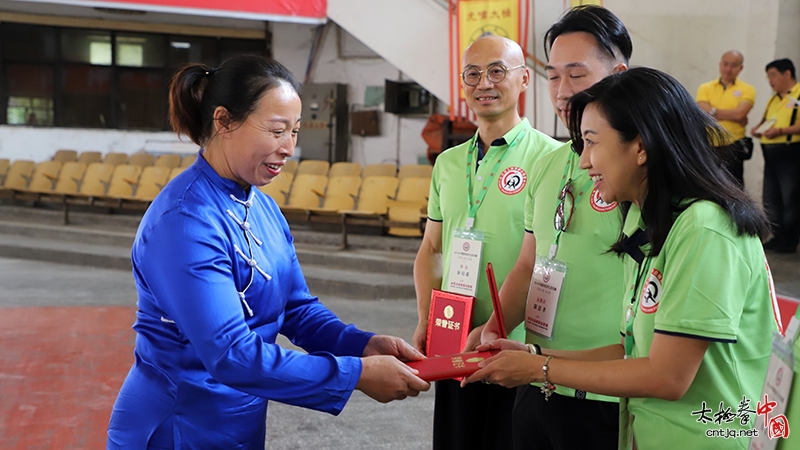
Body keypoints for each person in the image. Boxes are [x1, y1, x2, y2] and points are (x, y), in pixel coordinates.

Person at [107, 55, 430, 449]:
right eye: (277, 131)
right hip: (179, 422)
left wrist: (360, 344)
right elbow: (230, 354)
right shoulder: (184, 222)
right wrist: (354, 374)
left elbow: (295, 308)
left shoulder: (260, 205)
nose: (289, 148)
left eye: (294, 132)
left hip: (237, 418)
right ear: (223, 121)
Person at [465, 67, 780, 450]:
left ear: (642, 146)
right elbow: (633, 350)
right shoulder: (646, 220)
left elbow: (667, 376)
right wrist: (534, 352)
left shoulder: (704, 229)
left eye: (593, 143)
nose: (584, 162)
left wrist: (539, 369)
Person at [475, 5, 631, 449]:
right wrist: (496, 327)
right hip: (538, 382)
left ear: (618, 74)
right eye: (553, 76)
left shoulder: (639, 171)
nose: (562, 92)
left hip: (606, 392)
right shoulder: (549, 163)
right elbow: (529, 262)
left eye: (577, 76)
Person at [412, 35, 563, 450]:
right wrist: (427, 316)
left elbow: (547, 259)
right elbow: (431, 249)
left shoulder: (551, 159)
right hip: (455, 337)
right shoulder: (447, 163)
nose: (485, 83)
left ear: (524, 79)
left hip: (516, 341)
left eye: (497, 71)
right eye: (473, 74)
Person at [751, 58, 800, 254]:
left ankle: (789, 239)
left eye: (773, 75)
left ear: (787, 74)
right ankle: (777, 236)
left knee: (790, 197)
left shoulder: (797, 94)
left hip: (790, 152)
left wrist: (780, 131)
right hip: (770, 153)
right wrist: (758, 128)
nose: (771, 81)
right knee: (772, 197)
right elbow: (767, 120)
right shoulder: (774, 98)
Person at [696, 50, 756, 186]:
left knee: (733, 186)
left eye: (734, 65)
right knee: (709, 186)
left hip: (733, 145)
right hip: (709, 144)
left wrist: (713, 111)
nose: (728, 69)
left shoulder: (748, 89)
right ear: (720, 64)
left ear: (741, 68)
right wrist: (731, 115)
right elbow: (701, 112)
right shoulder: (705, 87)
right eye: (725, 64)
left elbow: (740, 114)